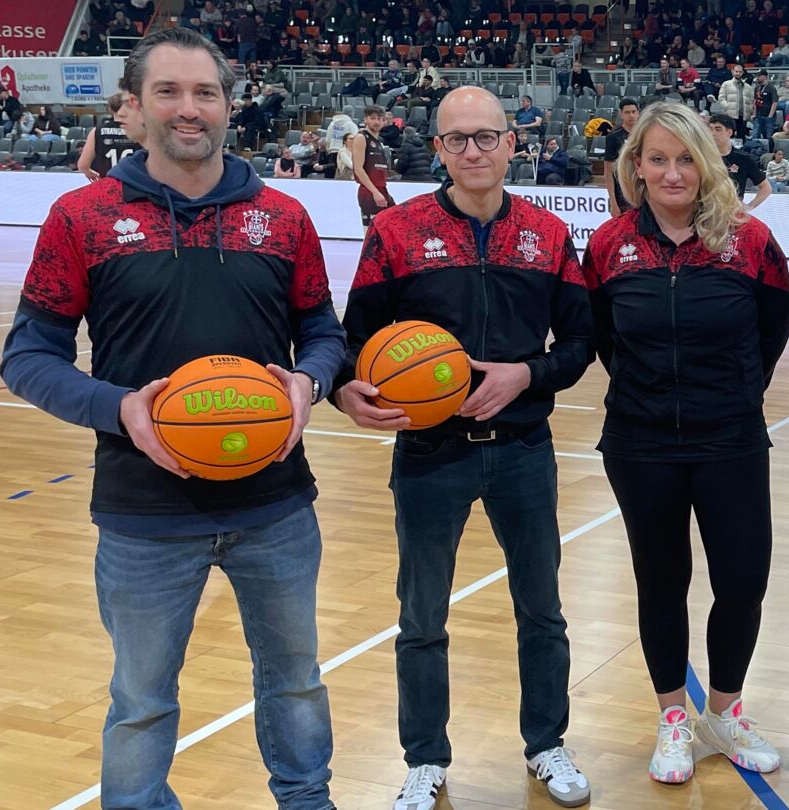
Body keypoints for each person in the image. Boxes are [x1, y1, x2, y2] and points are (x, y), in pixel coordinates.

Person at [0, 27, 345, 809]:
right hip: (142, 512)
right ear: (132, 108)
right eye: (169, 91)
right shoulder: (81, 217)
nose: (189, 109)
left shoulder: (283, 218)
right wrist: (118, 405)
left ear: (230, 106)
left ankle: (307, 800)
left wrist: (308, 381)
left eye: (206, 93)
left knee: (295, 683)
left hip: (276, 507)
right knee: (142, 700)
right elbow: (28, 357)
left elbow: (323, 332)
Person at [332, 86, 594, 810]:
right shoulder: (396, 232)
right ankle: (425, 758)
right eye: (456, 140)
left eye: (486, 137)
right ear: (437, 148)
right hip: (428, 455)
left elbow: (580, 344)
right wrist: (345, 390)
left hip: (523, 449)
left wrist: (526, 375)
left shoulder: (546, 233)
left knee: (541, 607)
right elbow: (354, 345)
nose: (472, 151)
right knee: (422, 616)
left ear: (514, 143)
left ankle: (547, 743)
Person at [583, 100, 789, 787]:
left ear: (707, 164)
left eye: (685, 158)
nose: (672, 172)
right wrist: (652, 395)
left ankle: (725, 712)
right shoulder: (610, 244)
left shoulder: (749, 240)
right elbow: (605, 338)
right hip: (641, 444)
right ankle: (674, 716)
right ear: (636, 168)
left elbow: (772, 330)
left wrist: (730, 395)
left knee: (742, 581)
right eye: (657, 158)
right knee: (660, 582)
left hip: (730, 437)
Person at [707, 112, 772, 211]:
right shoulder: (703, 156)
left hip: (732, 213)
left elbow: (766, 188)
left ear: (729, 132)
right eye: (710, 129)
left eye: (718, 129)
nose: (713, 133)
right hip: (707, 211)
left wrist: (749, 207)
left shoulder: (743, 158)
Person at [79, 92, 145, 181]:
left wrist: (90, 173)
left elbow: (83, 165)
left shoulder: (96, 131)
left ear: (110, 109)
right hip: (135, 183)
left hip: (108, 183)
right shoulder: (139, 130)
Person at [350, 105, 394, 229]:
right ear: (365, 120)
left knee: (392, 225)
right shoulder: (361, 137)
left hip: (381, 189)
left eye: (380, 119)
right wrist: (375, 192)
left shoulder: (379, 141)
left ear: (384, 121)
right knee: (372, 232)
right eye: (373, 118)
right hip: (369, 191)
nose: (376, 122)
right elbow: (358, 169)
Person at [605, 98, 642, 216]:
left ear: (638, 113)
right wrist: (613, 203)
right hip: (622, 192)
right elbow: (608, 172)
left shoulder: (645, 134)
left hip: (643, 189)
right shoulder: (613, 137)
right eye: (627, 112)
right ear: (621, 114)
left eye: (633, 112)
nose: (631, 115)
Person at [716, 64, 753, 140]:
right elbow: (721, 98)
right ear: (732, 71)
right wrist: (727, 107)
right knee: (729, 136)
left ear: (742, 73)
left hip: (743, 115)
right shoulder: (726, 84)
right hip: (730, 114)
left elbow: (751, 101)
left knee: (741, 137)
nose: (738, 73)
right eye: (736, 71)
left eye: (740, 72)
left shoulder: (748, 87)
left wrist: (749, 112)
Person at [753, 70, 779, 142]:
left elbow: (774, 102)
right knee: (755, 134)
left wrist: (770, 116)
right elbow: (755, 101)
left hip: (768, 115)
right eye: (757, 76)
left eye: (759, 76)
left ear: (765, 77)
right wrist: (754, 113)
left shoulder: (771, 88)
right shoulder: (757, 88)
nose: (757, 78)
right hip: (758, 115)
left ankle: (769, 151)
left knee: (768, 136)